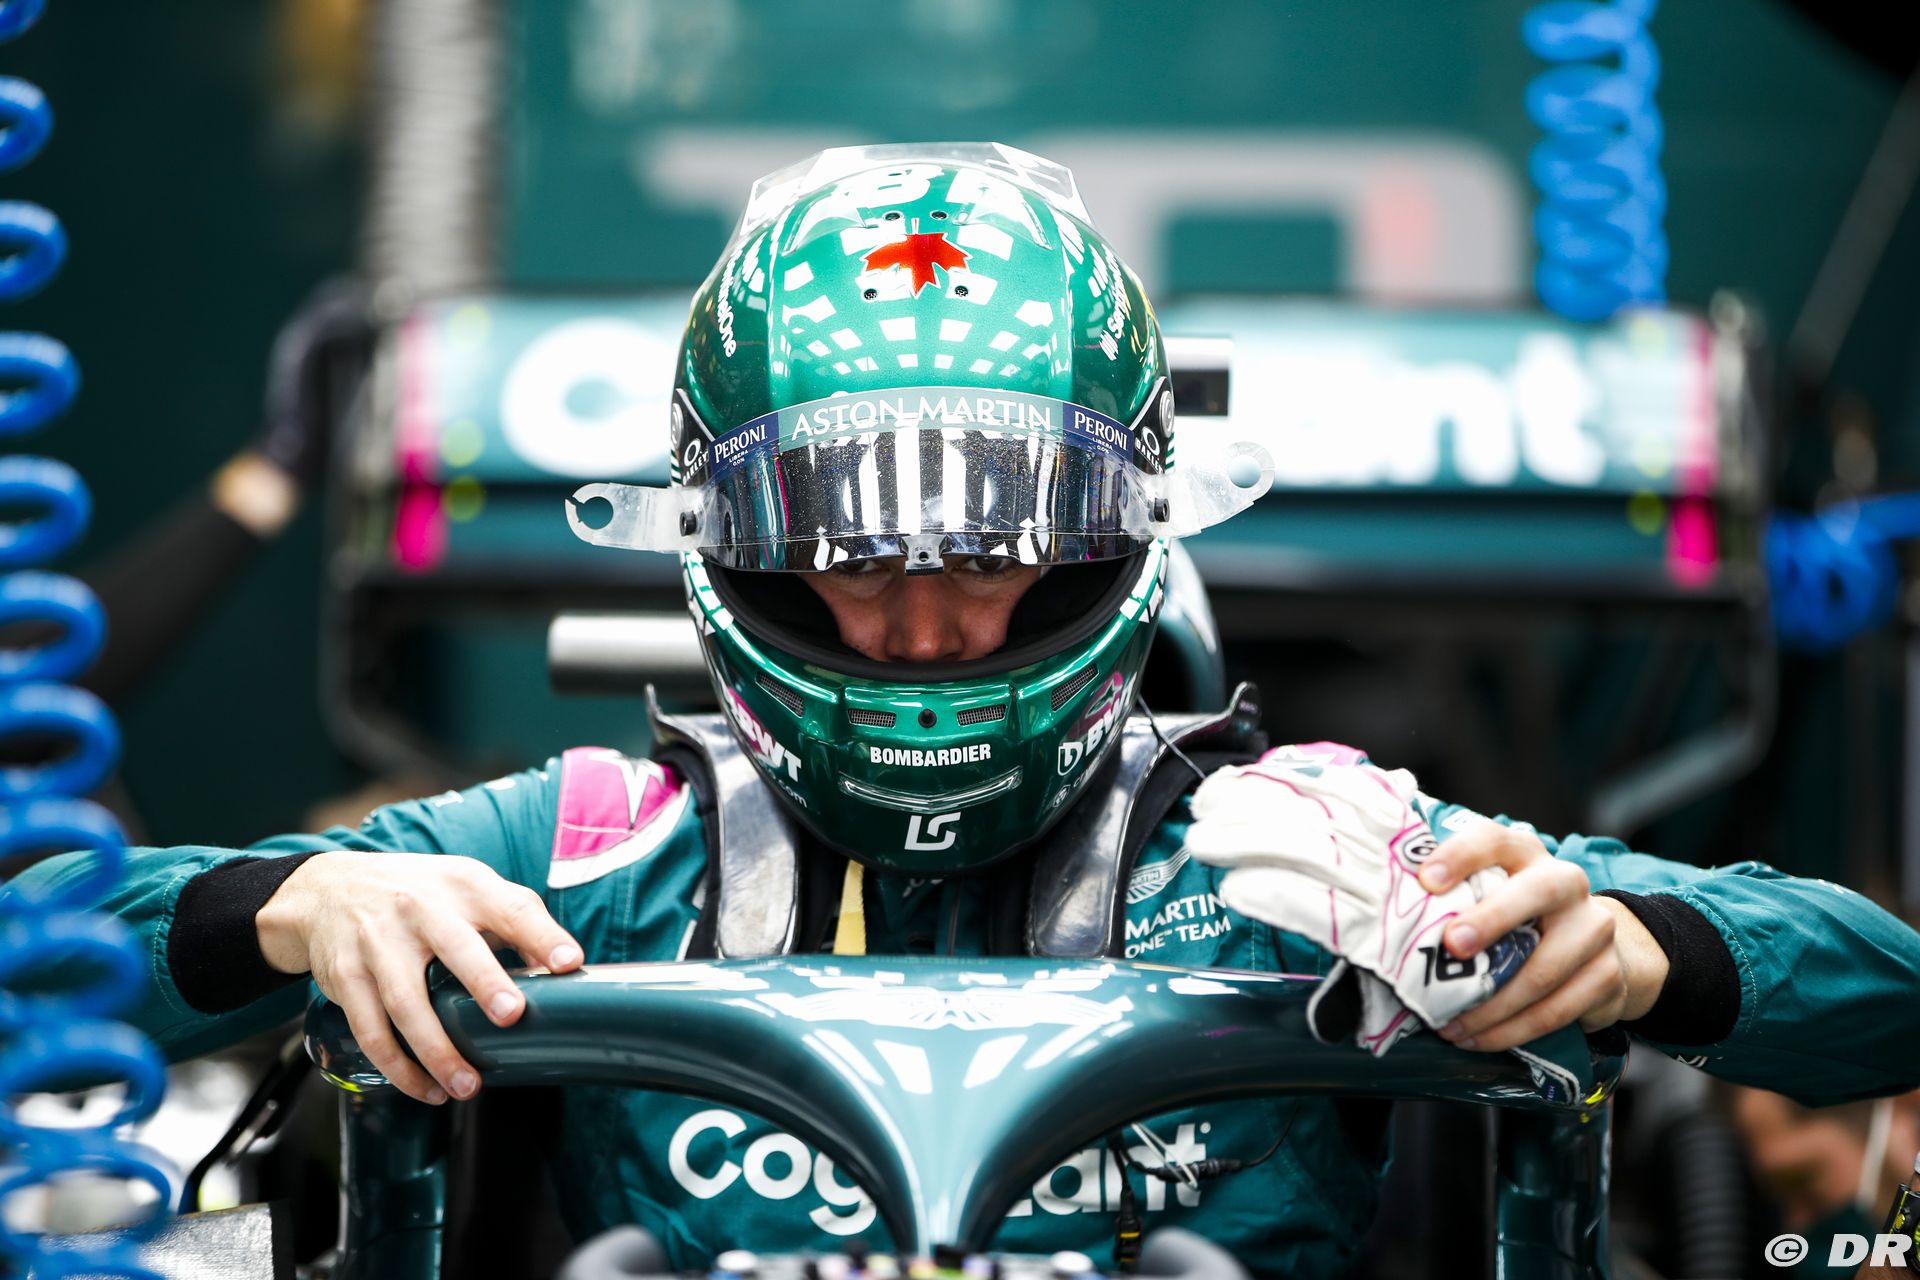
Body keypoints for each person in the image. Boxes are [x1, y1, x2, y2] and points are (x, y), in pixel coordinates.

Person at [14, 144, 1920, 1277]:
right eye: (850, 556)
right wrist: (292, 903)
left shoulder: (1312, 860)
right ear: (730, 552)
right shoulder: (589, 850)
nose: (926, 627)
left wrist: (1639, 942)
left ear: (1119, 537)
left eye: (999, 550)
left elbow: (1891, 995)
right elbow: (39, 959)